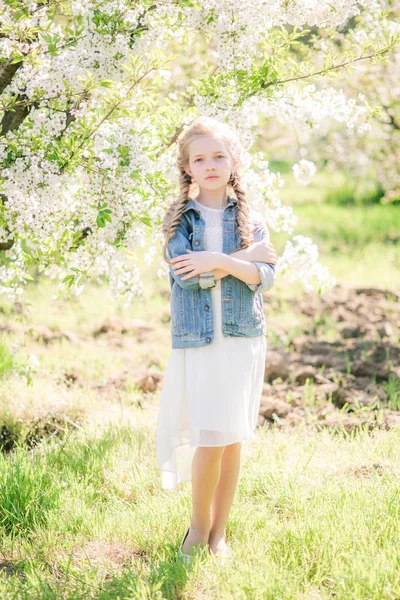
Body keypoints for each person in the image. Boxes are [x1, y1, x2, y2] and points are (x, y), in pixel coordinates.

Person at [156, 115, 277, 563]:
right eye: (200, 158)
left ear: (234, 162)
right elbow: (187, 278)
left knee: (232, 441)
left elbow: (265, 277)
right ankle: (197, 530)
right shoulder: (180, 221)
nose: (210, 165)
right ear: (188, 167)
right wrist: (236, 261)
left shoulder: (250, 220)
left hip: (243, 339)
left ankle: (219, 535)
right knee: (209, 438)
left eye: (219, 156)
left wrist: (220, 262)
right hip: (202, 344)